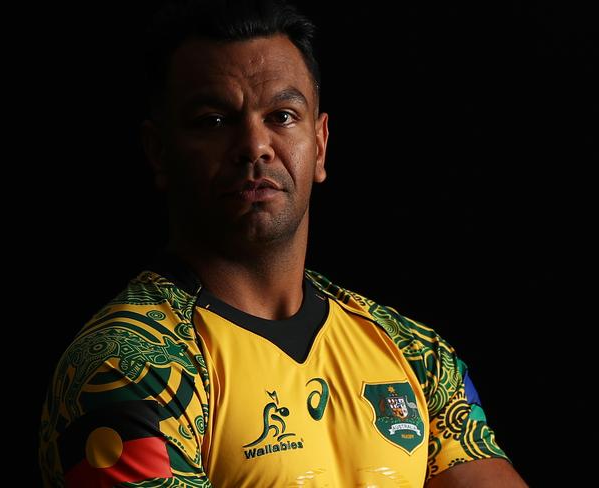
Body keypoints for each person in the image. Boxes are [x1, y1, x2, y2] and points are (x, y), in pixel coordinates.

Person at [39, 0, 528, 486]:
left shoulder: (415, 353)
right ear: (159, 153)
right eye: (213, 120)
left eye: (283, 115)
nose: (254, 145)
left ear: (320, 144)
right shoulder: (130, 366)